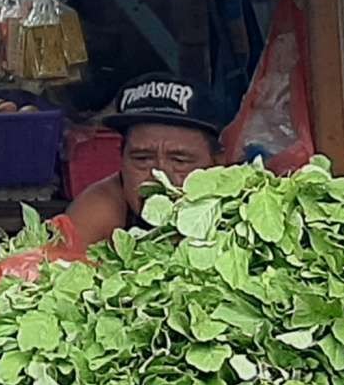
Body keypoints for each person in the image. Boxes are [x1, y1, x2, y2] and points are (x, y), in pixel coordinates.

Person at [55, 72, 226, 254]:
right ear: (121, 159)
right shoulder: (98, 211)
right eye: (142, 159)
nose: (159, 176)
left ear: (217, 163)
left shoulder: (240, 212)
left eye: (179, 160)